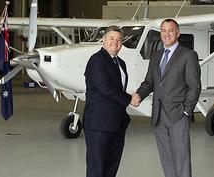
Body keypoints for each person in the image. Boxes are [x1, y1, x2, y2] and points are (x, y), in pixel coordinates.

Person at [133, 19, 201, 177]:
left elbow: (194, 86)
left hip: (178, 116)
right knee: (166, 159)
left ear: (178, 33)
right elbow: (149, 82)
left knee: (181, 160)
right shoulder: (156, 55)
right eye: (163, 30)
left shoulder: (188, 55)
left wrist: (186, 112)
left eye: (171, 30)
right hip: (158, 116)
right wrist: (139, 95)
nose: (167, 34)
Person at [83, 25, 137, 177]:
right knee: (97, 170)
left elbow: (116, 89)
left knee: (111, 169)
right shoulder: (96, 61)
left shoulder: (121, 63)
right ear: (104, 40)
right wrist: (130, 99)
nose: (116, 42)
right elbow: (106, 89)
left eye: (119, 40)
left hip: (117, 125)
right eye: (112, 39)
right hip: (99, 125)